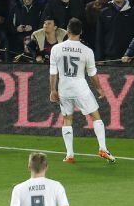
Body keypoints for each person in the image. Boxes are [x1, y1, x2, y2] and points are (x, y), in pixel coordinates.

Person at [49, 18, 116, 163]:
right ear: (81, 32)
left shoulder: (56, 49)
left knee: (67, 119)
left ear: (67, 30)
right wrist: (99, 89)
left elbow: (53, 72)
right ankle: (103, 148)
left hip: (64, 89)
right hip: (81, 89)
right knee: (96, 117)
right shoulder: (87, 51)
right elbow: (92, 74)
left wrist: (53, 90)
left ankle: (70, 154)